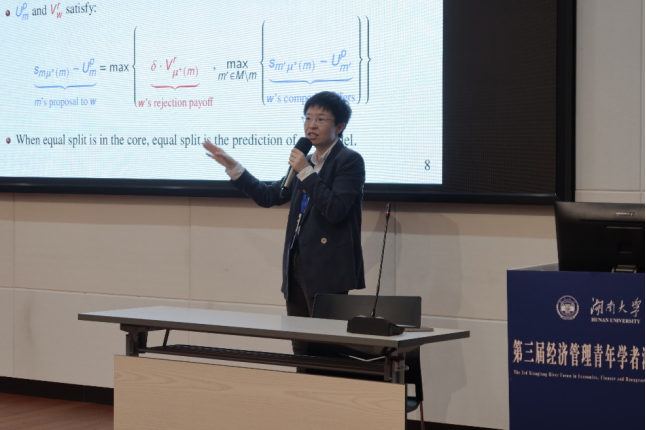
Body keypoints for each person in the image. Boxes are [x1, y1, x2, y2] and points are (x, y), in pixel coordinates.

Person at [203, 91, 366, 355]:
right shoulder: (306, 162)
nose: (312, 125)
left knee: (326, 348)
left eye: (321, 119)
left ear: (339, 127)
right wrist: (235, 168)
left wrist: (305, 172)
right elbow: (270, 196)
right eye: (308, 118)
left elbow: (335, 210)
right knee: (300, 344)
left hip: (328, 268)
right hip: (296, 264)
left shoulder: (348, 161)